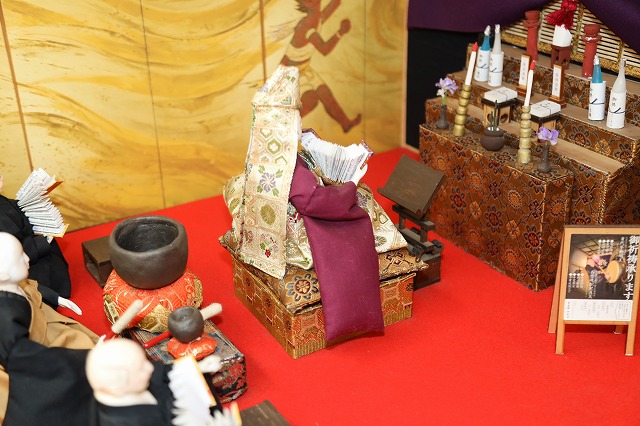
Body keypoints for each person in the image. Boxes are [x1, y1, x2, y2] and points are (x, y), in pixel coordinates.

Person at [0, 232, 99, 425]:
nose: (27, 258)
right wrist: (80, 360)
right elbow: (29, 358)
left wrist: (57, 298)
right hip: (30, 354)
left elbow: (31, 288)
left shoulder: (12, 283)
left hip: (43, 323)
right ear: (3, 275)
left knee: (82, 339)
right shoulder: (5, 317)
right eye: (20, 257)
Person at [86, 338, 230, 426]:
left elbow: (162, 372)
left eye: (145, 361)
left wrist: (199, 367)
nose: (149, 368)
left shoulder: (130, 382)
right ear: (119, 384)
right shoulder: (123, 421)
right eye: (141, 368)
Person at [281, 0, 361, 132]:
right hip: (290, 71)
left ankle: (345, 123)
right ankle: (286, 126)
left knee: (325, 93)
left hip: (303, 67)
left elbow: (333, 5)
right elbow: (324, 49)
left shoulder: (316, 18)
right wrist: (340, 32)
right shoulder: (307, 27)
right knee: (311, 99)